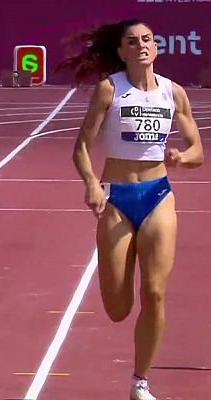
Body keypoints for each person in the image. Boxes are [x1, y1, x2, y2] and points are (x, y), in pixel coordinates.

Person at [60, 18, 203, 400]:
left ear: (156, 48)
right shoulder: (111, 89)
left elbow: (197, 150)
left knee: (155, 292)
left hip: (158, 195)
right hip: (116, 199)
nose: (141, 45)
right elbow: (81, 147)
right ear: (122, 51)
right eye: (132, 41)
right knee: (118, 308)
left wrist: (182, 157)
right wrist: (92, 183)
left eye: (148, 39)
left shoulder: (173, 93)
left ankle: (140, 382)